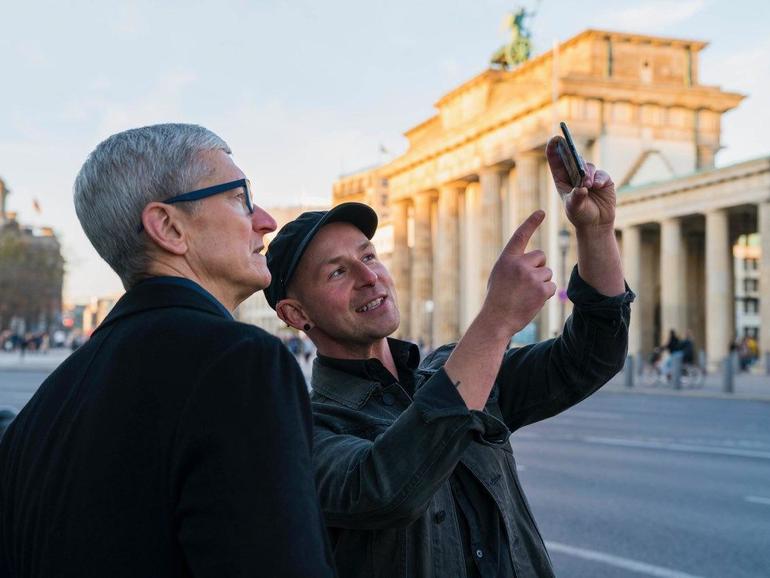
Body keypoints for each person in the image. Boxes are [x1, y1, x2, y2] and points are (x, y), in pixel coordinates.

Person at [264, 135, 634, 577]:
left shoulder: (452, 369)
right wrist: (495, 321)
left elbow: (592, 356)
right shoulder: (302, 427)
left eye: (370, 256)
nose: (370, 277)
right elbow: (387, 488)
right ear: (295, 313)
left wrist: (595, 231)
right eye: (338, 271)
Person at [0, 124, 335, 578]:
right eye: (241, 197)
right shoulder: (240, 365)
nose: (267, 221)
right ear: (169, 227)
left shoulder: (42, 411)